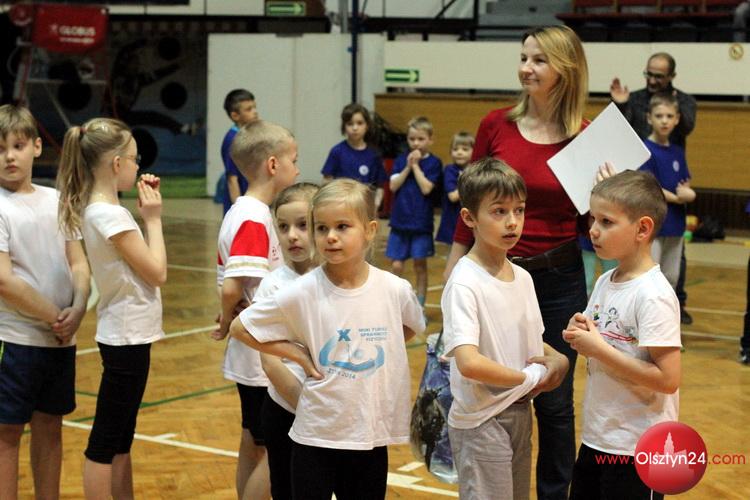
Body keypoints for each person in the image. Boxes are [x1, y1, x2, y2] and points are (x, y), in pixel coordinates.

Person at [443, 26, 591, 500]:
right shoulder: (495, 125)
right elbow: (471, 203)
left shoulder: (586, 136)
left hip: (560, 275)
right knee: (497, 387)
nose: (526, 68)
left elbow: (593, 226)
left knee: (555, 401)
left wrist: (601, 194)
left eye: (539, 60)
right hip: (496, 275)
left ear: (565, 69)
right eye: (524, 58)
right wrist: (453, 267)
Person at [229, 179, 425, 500]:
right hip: (315, 436)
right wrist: (296, 354)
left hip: (368, 436)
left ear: (370, 230)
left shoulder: (394, 289)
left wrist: (374, 350)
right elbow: (241, 328)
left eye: (342, 226)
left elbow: (409, 327)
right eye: (321, 228)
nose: (330, 236)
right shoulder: (303, 290)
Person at [442, 158, 570, 500]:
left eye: (519, 210)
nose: (512, 221)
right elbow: (469, 362)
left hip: (519, 411)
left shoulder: (523, 277)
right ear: (469, 218)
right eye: (499, 211)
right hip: (481, 420)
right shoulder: (465, 282)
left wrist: (558, 360)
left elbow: (534, 342)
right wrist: (526, 379)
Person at [56, 117, 166, 499]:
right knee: (105, 442)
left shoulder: (102, 210)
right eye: (135, 159)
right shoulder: (110, 215)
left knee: (121, 438)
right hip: (125, 335)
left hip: (127, 332)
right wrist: (153, 220)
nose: (138, 167)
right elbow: (157, 272)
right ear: (117, 164)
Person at [564, 170, 681, 500]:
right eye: (593, 219)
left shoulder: (653, 295)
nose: (593, 230)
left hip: (638, 447)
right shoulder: (606, 280)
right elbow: (605, 339)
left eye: (606, 222)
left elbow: (668, 379)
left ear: (642, 229)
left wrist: (598, 349)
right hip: (598, 437)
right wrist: (583, 331)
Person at [0, 105, 90, 500]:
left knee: (51, 426)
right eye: (0, 148)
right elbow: (4, 281)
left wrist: (79, 306)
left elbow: (79, 263)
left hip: (59, 340)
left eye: (18, 146)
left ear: (37, 147)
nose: (9, 156)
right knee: (7, 433)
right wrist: (57, 316)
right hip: (14, 339)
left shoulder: (57, 199)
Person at [212, 120, 299, 500]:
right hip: (259, 356)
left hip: (254, 351)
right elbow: (234, 286)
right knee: (272, 450)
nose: (298, 168)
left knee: (254, 443)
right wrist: (227, 319)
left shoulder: (247, 211)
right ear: (274, 164)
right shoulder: (253, 217)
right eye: (294, 159)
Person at [610, 52, 696, 324]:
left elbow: (687, 125)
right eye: (649, 74)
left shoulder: (684, 101)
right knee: (647, 262)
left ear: (671, 76)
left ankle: (673, 309)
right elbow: (620, 128)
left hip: (672, 194)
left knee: (672, 268)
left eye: (659, 76)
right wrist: (621, 105)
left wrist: (686, 195)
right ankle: (638, 314)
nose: (652, 80)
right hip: (643, 185)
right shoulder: (635, 99)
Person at [257, 182, 319, 500]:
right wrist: (308, 410)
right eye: (283, 227)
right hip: (286, 409)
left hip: (332, 415)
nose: (292, 235)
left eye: (302, 225)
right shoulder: (273, 287)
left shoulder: (336, 280)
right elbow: (270, 362)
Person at [639, 93, 696, 289]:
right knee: (650, 276)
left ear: (677, 119)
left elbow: (685, 183)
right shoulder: (646, 149)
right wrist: (678, 198)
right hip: (654, 224)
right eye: (659, 116)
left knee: (671, 277)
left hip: (675, 223)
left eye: (669, 116)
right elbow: (650, 188)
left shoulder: (677, 151)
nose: (664, 121)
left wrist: (689, 194)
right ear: (649, 118)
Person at [387, 116, 442, 311]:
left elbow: (427, 188)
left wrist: (416, 167)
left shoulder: (434, 163)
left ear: (430, 140)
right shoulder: (401, 160)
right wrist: (407, 166)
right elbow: (393, 186)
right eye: (412, 139)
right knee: (396, 266)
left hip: (421, 223)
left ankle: (420, 307)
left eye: (421, 139)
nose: (416, 143)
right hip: (399, 222)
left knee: (420, 266)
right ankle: (395, 304)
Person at [321, 103, 387, 209]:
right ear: (344, 126)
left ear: (367, 126)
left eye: (360, 123)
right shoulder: (337, 151)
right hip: (340, 206)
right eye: (350, 124)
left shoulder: (374, 154)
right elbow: (326, 181)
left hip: (364, 207)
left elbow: (380, 186)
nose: (355, 128)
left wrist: (376, 204)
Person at [221, 89, 259, 214]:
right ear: (235, 116)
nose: (255, 112)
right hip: (240, 202)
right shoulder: (232, 140)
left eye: (254, 107)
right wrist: (239, 210)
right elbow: (232, 178)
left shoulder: (248, 135)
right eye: (249, 109)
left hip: (250, 199)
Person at [435, 131, 474, 245]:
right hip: (452, 220)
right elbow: (453, 196)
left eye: (465, 149)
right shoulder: (450, 170)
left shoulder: (475, 171)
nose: (459, 152)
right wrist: (466, 181)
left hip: (471, 220)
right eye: (455, 149)